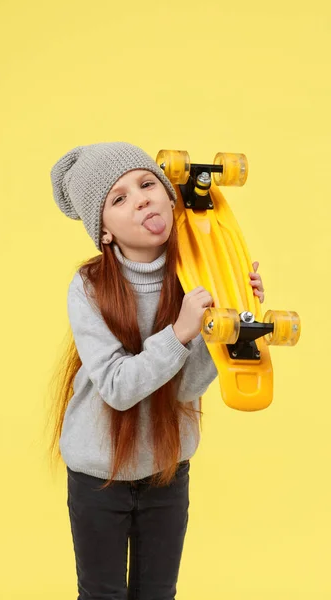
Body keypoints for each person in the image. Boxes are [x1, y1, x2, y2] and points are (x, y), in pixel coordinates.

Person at [47, 142, 265, 600]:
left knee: (158, 593)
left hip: (166, 470)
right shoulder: (88, 287)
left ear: (171, 198)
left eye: (148, 184)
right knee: (101, 593)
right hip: (97, 477)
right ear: (103, 231)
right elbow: (116, 388)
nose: (141, 198)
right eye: (119, 198)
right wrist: (180, 333)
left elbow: (185, 387)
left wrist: (232, 313)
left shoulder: (195, 276)